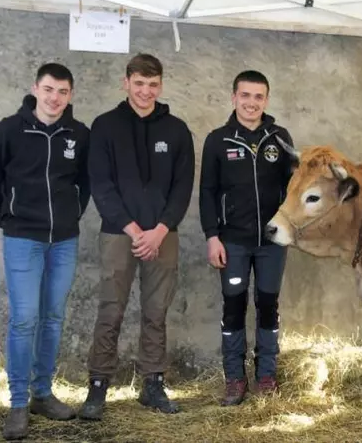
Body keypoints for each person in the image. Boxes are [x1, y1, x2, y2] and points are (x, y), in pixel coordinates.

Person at [78, 53, 195, 420]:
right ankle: (98, 386)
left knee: (156, 313)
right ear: (126, 83)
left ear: (161, 85)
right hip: (118, 235)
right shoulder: (105, 126)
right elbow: (102, 185)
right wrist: (133, 230)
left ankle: (153, 384)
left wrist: (159, 230)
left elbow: (182, 187)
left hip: (164, 235)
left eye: (153, 84)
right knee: (110, 310)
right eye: (139, 83)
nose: (146, 91)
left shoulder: (177, 130)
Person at [0, 63, 91, 440]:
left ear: (70, 95)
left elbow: (85, 184)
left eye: (62, 91)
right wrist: (10, 220)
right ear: (35, 88)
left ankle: (43, 393)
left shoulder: (79, 134)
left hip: (63, 240)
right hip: (22, 239)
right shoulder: (9, 130)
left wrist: (71, 215)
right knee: (24, 318)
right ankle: (18, 402)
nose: (54, 97)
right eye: (48, 89)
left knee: (53, 317)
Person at [199, 70, 294, 406]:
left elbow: (293, 189)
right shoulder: (218, 139)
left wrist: (291, 229)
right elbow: (207, 192)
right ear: (234, 97)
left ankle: (266, 374)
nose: (251, 103)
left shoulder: (280, 137)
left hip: (272, 244)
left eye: (258, 96)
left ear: (266, 100)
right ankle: (235, 379)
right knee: (234, 307)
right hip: (233, 243)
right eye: (245, 95)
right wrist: (213, 237)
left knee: (268, 306)